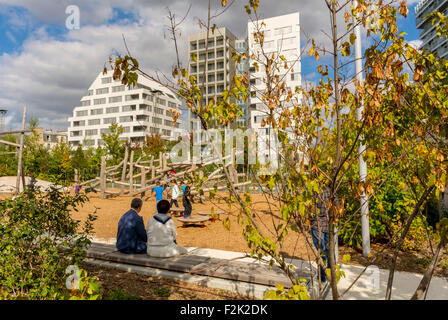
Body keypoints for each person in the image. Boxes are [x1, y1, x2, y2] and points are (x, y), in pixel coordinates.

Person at [308, 187, 339, 283]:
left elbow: (311, 210)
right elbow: (337, 206)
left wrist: (311, 220)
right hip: (328, 225)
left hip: (317, 226)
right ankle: (331, 274)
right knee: (330, 250)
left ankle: (322, 277)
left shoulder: (313, 192)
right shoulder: (330, 191)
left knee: (321, 251)